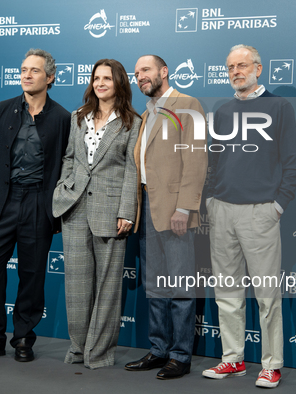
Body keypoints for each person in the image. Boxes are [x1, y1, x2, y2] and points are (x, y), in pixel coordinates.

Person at [202, 45, 296, 388]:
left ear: (258, 68)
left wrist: (277, 206)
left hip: (261, 212)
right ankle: (233, 360)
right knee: (227, 292)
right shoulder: (224, 109)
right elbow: (214, 161)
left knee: (266, 295)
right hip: (223, 211)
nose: (236, 71)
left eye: (242, 65)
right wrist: (212, 200)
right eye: (230, 66)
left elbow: (294, 162)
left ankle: (271, 364)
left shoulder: (279, 107)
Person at [0, 49, 70, 363]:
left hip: (38, 203)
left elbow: (67, 166)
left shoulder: (63, 118)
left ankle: (23, 338)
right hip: (2, 203)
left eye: (34, 70)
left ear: (50, 78)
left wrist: (58, 211)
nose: (26, 75)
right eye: (23, 69)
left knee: (32, 274)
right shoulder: (1, 110)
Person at [53, 59, 140, 369]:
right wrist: (64, 186)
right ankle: (78, 348)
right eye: (96, 78)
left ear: (119, 83)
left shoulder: (132, 122)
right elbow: (69, 157)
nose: (101, 83)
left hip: (111, 211)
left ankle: (99, 353)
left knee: (107, 286)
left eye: (107, 78)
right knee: (76, 286)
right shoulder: (78, 117)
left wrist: (127, 211)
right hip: (74, 208)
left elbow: (132, 169)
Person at [124, 55, 207, 379]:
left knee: (180, 286)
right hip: (147, 208)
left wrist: (184, 208)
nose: (140, 77)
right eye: (136, 73)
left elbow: (196, 160)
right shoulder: (147, 113)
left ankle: (180, 355)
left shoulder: (188, 104)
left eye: (145, 70)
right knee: (155, 285)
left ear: (164, 71)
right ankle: (159, 349)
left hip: (175, 210)